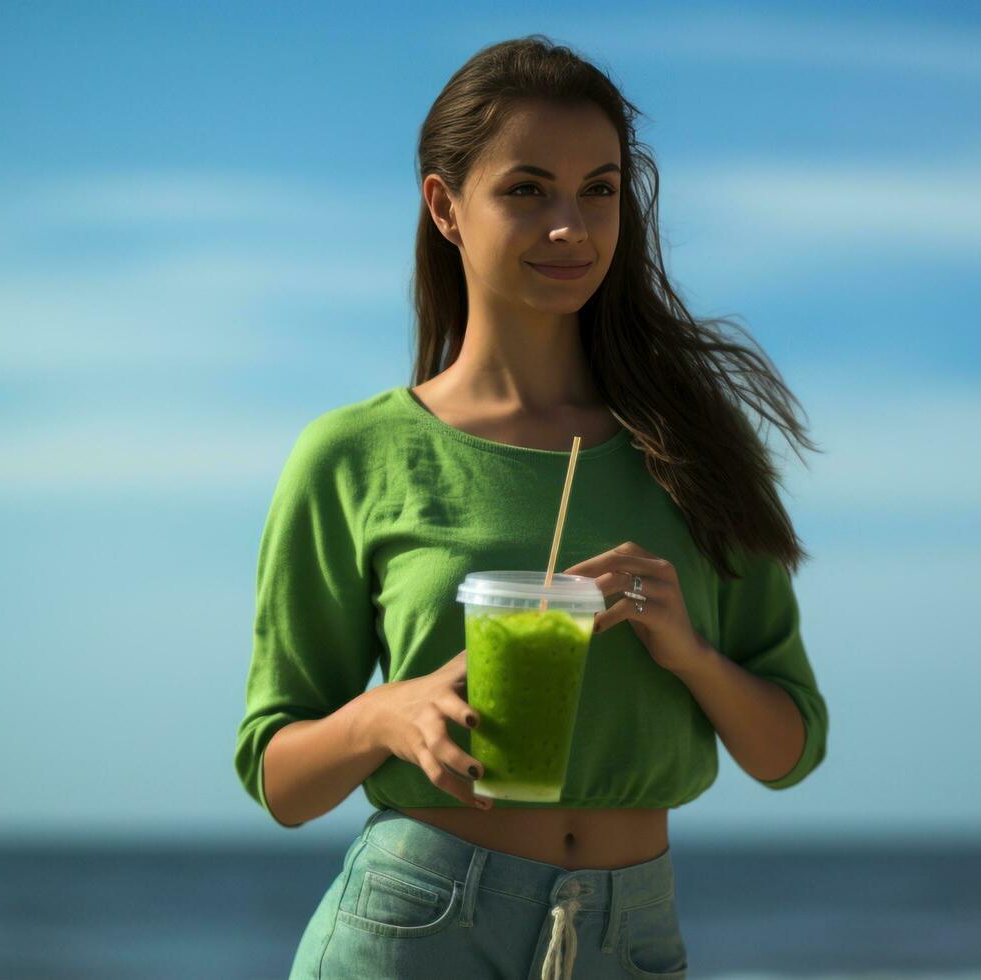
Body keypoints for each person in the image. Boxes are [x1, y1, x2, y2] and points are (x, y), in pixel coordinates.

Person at [234, 34, 829, 980]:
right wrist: (388, 715)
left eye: (599, 189)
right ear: (445, 207)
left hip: (630, 936)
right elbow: (280, 777)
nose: (572, 226)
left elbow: (787, 748)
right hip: (413, 922)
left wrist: (690, 655)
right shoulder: (352, 454)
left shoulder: (697, 451)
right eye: (527, 189)